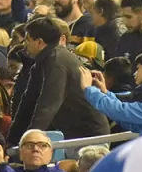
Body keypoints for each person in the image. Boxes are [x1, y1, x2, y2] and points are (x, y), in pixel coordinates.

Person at [8, 17, 109, 145]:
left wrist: (30, 141)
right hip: (74, 133)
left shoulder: (56, 61)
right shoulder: (41, 63)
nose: (24, 45)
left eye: (27, 40)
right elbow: (27, 104)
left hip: (89, 135)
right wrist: (12, 140)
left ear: (39, 42)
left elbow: (48, 105)